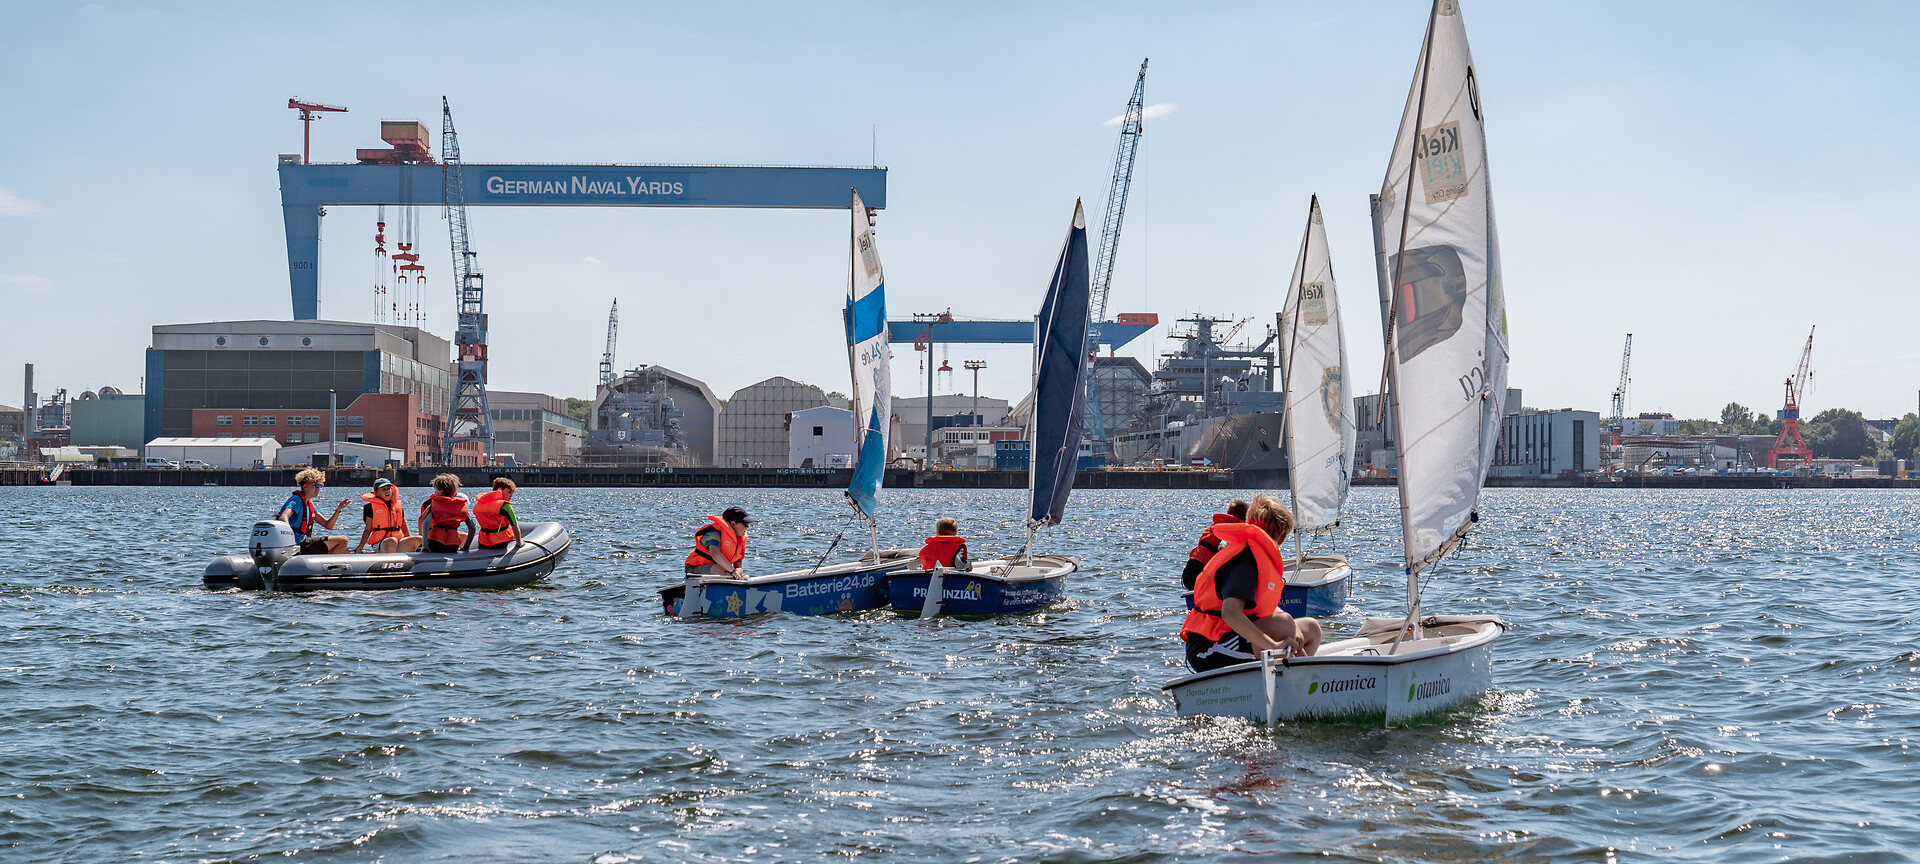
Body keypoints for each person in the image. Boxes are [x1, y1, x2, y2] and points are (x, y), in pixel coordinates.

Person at [1179, 495, 1322, 672]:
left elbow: (1263, 609)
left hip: (1230, 637)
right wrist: (1274, 645)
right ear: (1282, 538)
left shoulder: (1257, 555)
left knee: (1311, 628)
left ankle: (1296, 680)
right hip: (1208, 649)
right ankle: (1288, 683)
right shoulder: (1245, 560)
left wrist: (1292, 627)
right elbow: (1230, 613)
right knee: (1284, 624)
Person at [278, 468, 350, 555]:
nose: (318, 489)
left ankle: (324, 566)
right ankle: (329, 567)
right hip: (297, 544)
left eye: (320, 486)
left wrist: (338, 510)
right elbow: (283, 516)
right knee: (343, 541)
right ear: (305, 487)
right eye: (316, 485)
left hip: (304, 543)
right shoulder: (296, 500)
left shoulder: (310, 505)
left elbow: (328, 525)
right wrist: (288, 538)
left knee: (345, 550)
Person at [1181, 498, 1249, 590]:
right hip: (1204, 576)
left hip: (1189, 574)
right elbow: (1224, 548)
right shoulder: (1235, 530)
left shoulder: (1214, 528)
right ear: (1245, 518)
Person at [356, 477, 421, 553]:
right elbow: (368, 529)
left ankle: (415, 562)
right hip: (380, 543)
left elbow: (404, 528)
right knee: (391, 541)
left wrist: (408, 541)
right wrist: (360, 547)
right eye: (383, 489)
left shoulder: (397, 506)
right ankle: (390, 564)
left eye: (389, 488)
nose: (387, 491)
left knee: (418, 539)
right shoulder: (369, 508)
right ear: (376, 491)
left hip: (398, 541)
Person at [684, 506, 751, 579]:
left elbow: (739, 566)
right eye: (745, 524)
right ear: (733, 523)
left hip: (720, 570)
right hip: (694, 568)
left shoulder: (738, 540)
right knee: (720, 569)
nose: (747, 527)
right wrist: (733, 572)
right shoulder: (714, 533)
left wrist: (738, 572)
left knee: (726, 570)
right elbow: (715, 554)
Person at [416, 473, 477, 553]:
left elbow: (426, 524)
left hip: (435, 543)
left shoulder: (434, 505)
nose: (435, 492)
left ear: (441, 491)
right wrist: (466, 547)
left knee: (418, 549)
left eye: (436, 490)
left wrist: (425, 545)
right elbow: (472, 528)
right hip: (453, 546)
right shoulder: (461, 506)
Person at [473, 477, 523, 553]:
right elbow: (515, 526)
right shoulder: (505, 506)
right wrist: (519, 543)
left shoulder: (480, 503)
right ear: (500, 490)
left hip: (483, 541)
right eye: (509, 492)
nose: (511, 496)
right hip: (500, 542)